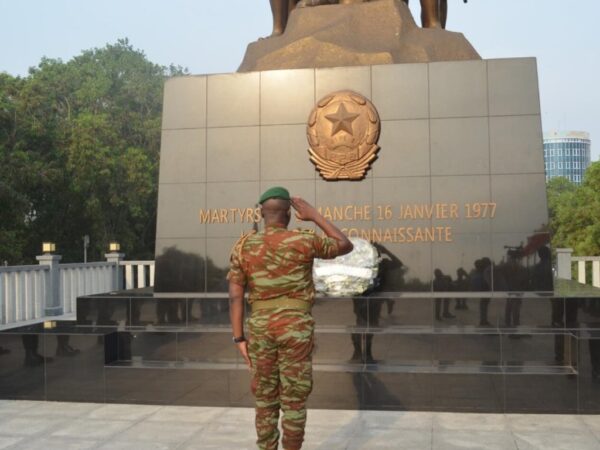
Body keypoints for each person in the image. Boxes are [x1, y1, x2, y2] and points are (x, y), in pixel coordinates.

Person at [228, 186, 353, 450]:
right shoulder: (304, 240)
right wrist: (315, 215)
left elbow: (235, 296)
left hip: (260, 330)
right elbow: (344, 244)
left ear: (262, 212)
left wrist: (239, 337)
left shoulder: (244, 246)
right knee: (294, 399)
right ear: (290, 214)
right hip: (296, 329)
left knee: (265, 398)